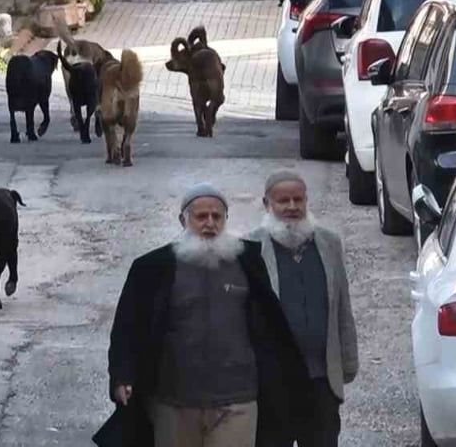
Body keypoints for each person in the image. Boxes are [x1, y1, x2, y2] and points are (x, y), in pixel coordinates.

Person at [96, 183, 303, 447]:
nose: (209, 224)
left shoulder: (247, 262)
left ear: (225, 219)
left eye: (217, 217)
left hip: (238, 400)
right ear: (183, 220)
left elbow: (272, 327)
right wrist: (122, 376)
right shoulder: (152, 268)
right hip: (173, 402)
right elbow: (127, 328)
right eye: (201, 217)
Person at [248, 171, 359, 447]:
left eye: (298, 199)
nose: (292, 207)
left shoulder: (329, 243)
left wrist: (348, 361)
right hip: (273, 383)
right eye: (283, 201)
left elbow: (342, 307)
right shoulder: (250, 250)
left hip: (321, 379)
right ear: (267, 204)